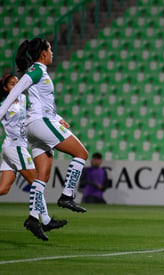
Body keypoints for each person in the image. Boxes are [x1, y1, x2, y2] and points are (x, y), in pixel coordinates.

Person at [0, 38, 89, 241]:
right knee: (81, 153)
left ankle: (34, 218)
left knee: (42, 176)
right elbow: (15, 91)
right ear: (42, 53)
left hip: (37, 124)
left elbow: (42, 104)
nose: (52, 52)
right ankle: (67, 195)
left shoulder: (41, 73)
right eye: (50, 49)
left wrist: (58, 118)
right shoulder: (36, 71)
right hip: (40, 123)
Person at [0, 73, 67, 232]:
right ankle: (45, 220)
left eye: (17, 82)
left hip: (16, 147)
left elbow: (40, 111)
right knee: (37, 182)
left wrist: (58, 119)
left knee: (3, 189)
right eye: (11, 83)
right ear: (5, 87)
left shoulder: (23, 99)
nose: (16, 85)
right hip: (15, 147)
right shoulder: (3, 105)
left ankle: (45, 220)